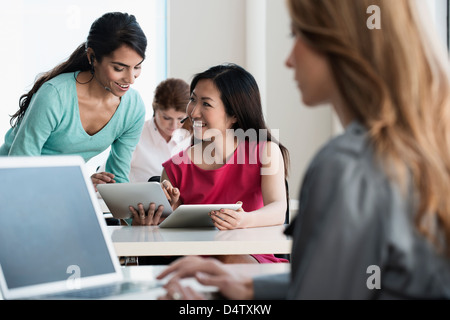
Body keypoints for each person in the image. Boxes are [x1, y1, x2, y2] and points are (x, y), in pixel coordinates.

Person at [156, 0, 450, 299]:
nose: (289, 59)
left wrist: (202, 306)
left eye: (298, 37)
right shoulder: (417, 149)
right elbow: (341, 284)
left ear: (340, 48)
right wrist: (248, 287)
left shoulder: (342, 163)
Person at [130, 63, 290, 264]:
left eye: (206, 104)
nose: (193, 112)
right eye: (193, 100)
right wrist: (155, 221)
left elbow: (277, 209)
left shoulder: (264, 152)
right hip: (193, 265)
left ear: (233, 115)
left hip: (247, 258)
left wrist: (243, 220)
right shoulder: (174, 169)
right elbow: (168, 250)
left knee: (224, 259)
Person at [0, 12, 147, 188]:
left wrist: (134, 214)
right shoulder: (55, 96)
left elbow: (119, 178)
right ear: (92, 57)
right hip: (10, 184)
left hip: (56, 190)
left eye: (137, 67)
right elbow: (20, 168)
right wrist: (78, 184)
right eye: (119, 68)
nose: (131, 79)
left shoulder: (133, 107)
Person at [98, 78, 192, 183]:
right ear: (155, 109)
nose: (174, 125)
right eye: (167, 118)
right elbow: (104, 181)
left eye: (180, 119)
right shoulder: (134, 135)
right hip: (134, 198)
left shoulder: (187, 139)